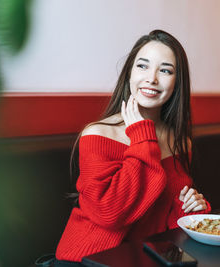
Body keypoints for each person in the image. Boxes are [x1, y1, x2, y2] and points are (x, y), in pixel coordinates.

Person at [54, 30, 211, 266]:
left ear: (177, 82)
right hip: (88, 259)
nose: (152, 78)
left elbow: (165, 221)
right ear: (129, 73)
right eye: (143, 66)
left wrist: (190, 209)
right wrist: (142, 137)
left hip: (144, 258)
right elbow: (111, 213)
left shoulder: (179, 142)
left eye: (165, 70)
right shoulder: (97, 133)